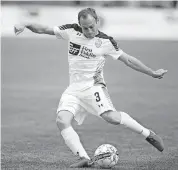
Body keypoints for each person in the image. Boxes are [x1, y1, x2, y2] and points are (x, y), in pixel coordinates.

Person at [14, 8, 167, 168]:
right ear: (80, 25)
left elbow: (128, 60)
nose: (89, 31)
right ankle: (84, 158)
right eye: (85, 27)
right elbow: (44, 29)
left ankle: (148, 134)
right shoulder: (71, 31)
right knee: (62, 120)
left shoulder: (106, 41)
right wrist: (24, 24)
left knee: (111, 118)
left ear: (97, 22)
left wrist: (152, 72)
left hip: (93, 87)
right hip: (73, 89)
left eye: (92, 26)